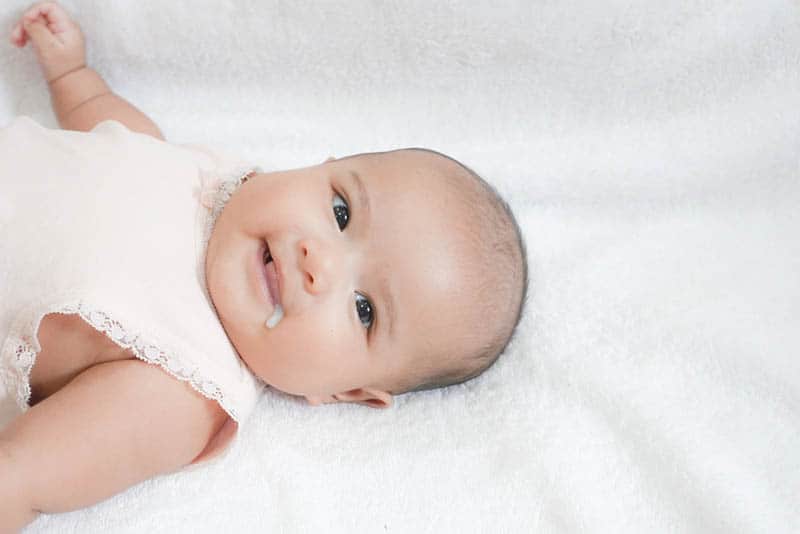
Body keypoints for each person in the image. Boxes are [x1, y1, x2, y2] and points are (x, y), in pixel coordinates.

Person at [0, 1, 528, 529]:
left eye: (364, 309)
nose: (317, 261)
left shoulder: (184, 387)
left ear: (344, 391)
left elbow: (20, 475)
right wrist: (72, 74)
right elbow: (114, 132)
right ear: (322, 165)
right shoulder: (212, 173)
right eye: (341, 211)